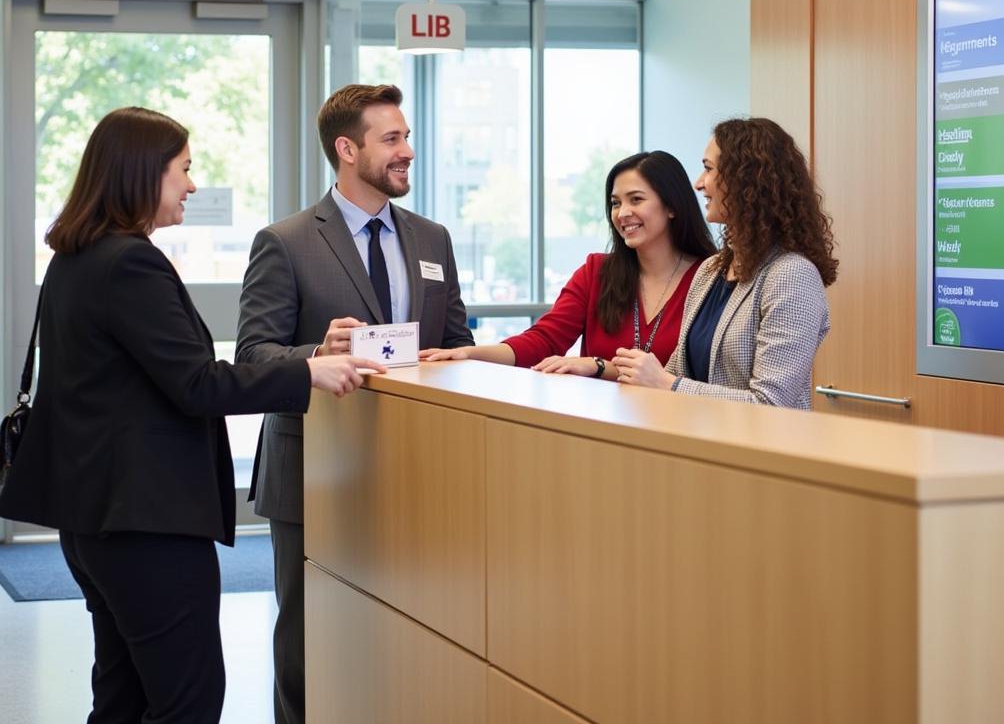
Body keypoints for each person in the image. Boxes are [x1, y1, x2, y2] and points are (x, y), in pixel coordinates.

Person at [0, 107, 379, 724]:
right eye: (184, 169)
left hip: (93, 520)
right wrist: (307, 370)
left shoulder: (74, 259)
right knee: (187, 701)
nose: (193, 185)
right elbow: (197, 384)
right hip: (144, 522)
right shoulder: (131, 263)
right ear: (142, 174)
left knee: (122, 696)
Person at [235, 82, 474, 724]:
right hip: (313, 468)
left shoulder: (432, 239)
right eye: (391, 140)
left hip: (412, 470)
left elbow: (456, 344)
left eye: (406, 137)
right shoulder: (285, 241)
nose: (408, 152)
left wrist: (453, 360)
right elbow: (252, 356)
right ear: (347, 149)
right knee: (309, 637)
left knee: (400, 627)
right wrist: (318, 350)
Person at [422, 150, 716, 379]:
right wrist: (469, 354)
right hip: (597, 431)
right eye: (615, 203)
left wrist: (598, 366)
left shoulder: (712, 279)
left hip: (678, 433)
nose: (623, 213)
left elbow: (698, 375)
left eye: (636, 199)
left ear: (672, 206)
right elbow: (544, 340)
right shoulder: (597, 272)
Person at [613, 117, 837, 407]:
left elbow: (771, 403)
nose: (698, 183)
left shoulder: (792, 274)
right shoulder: (710, 270)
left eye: (708, 169)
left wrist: (669, 384)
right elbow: (676, 372)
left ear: (747, 179)